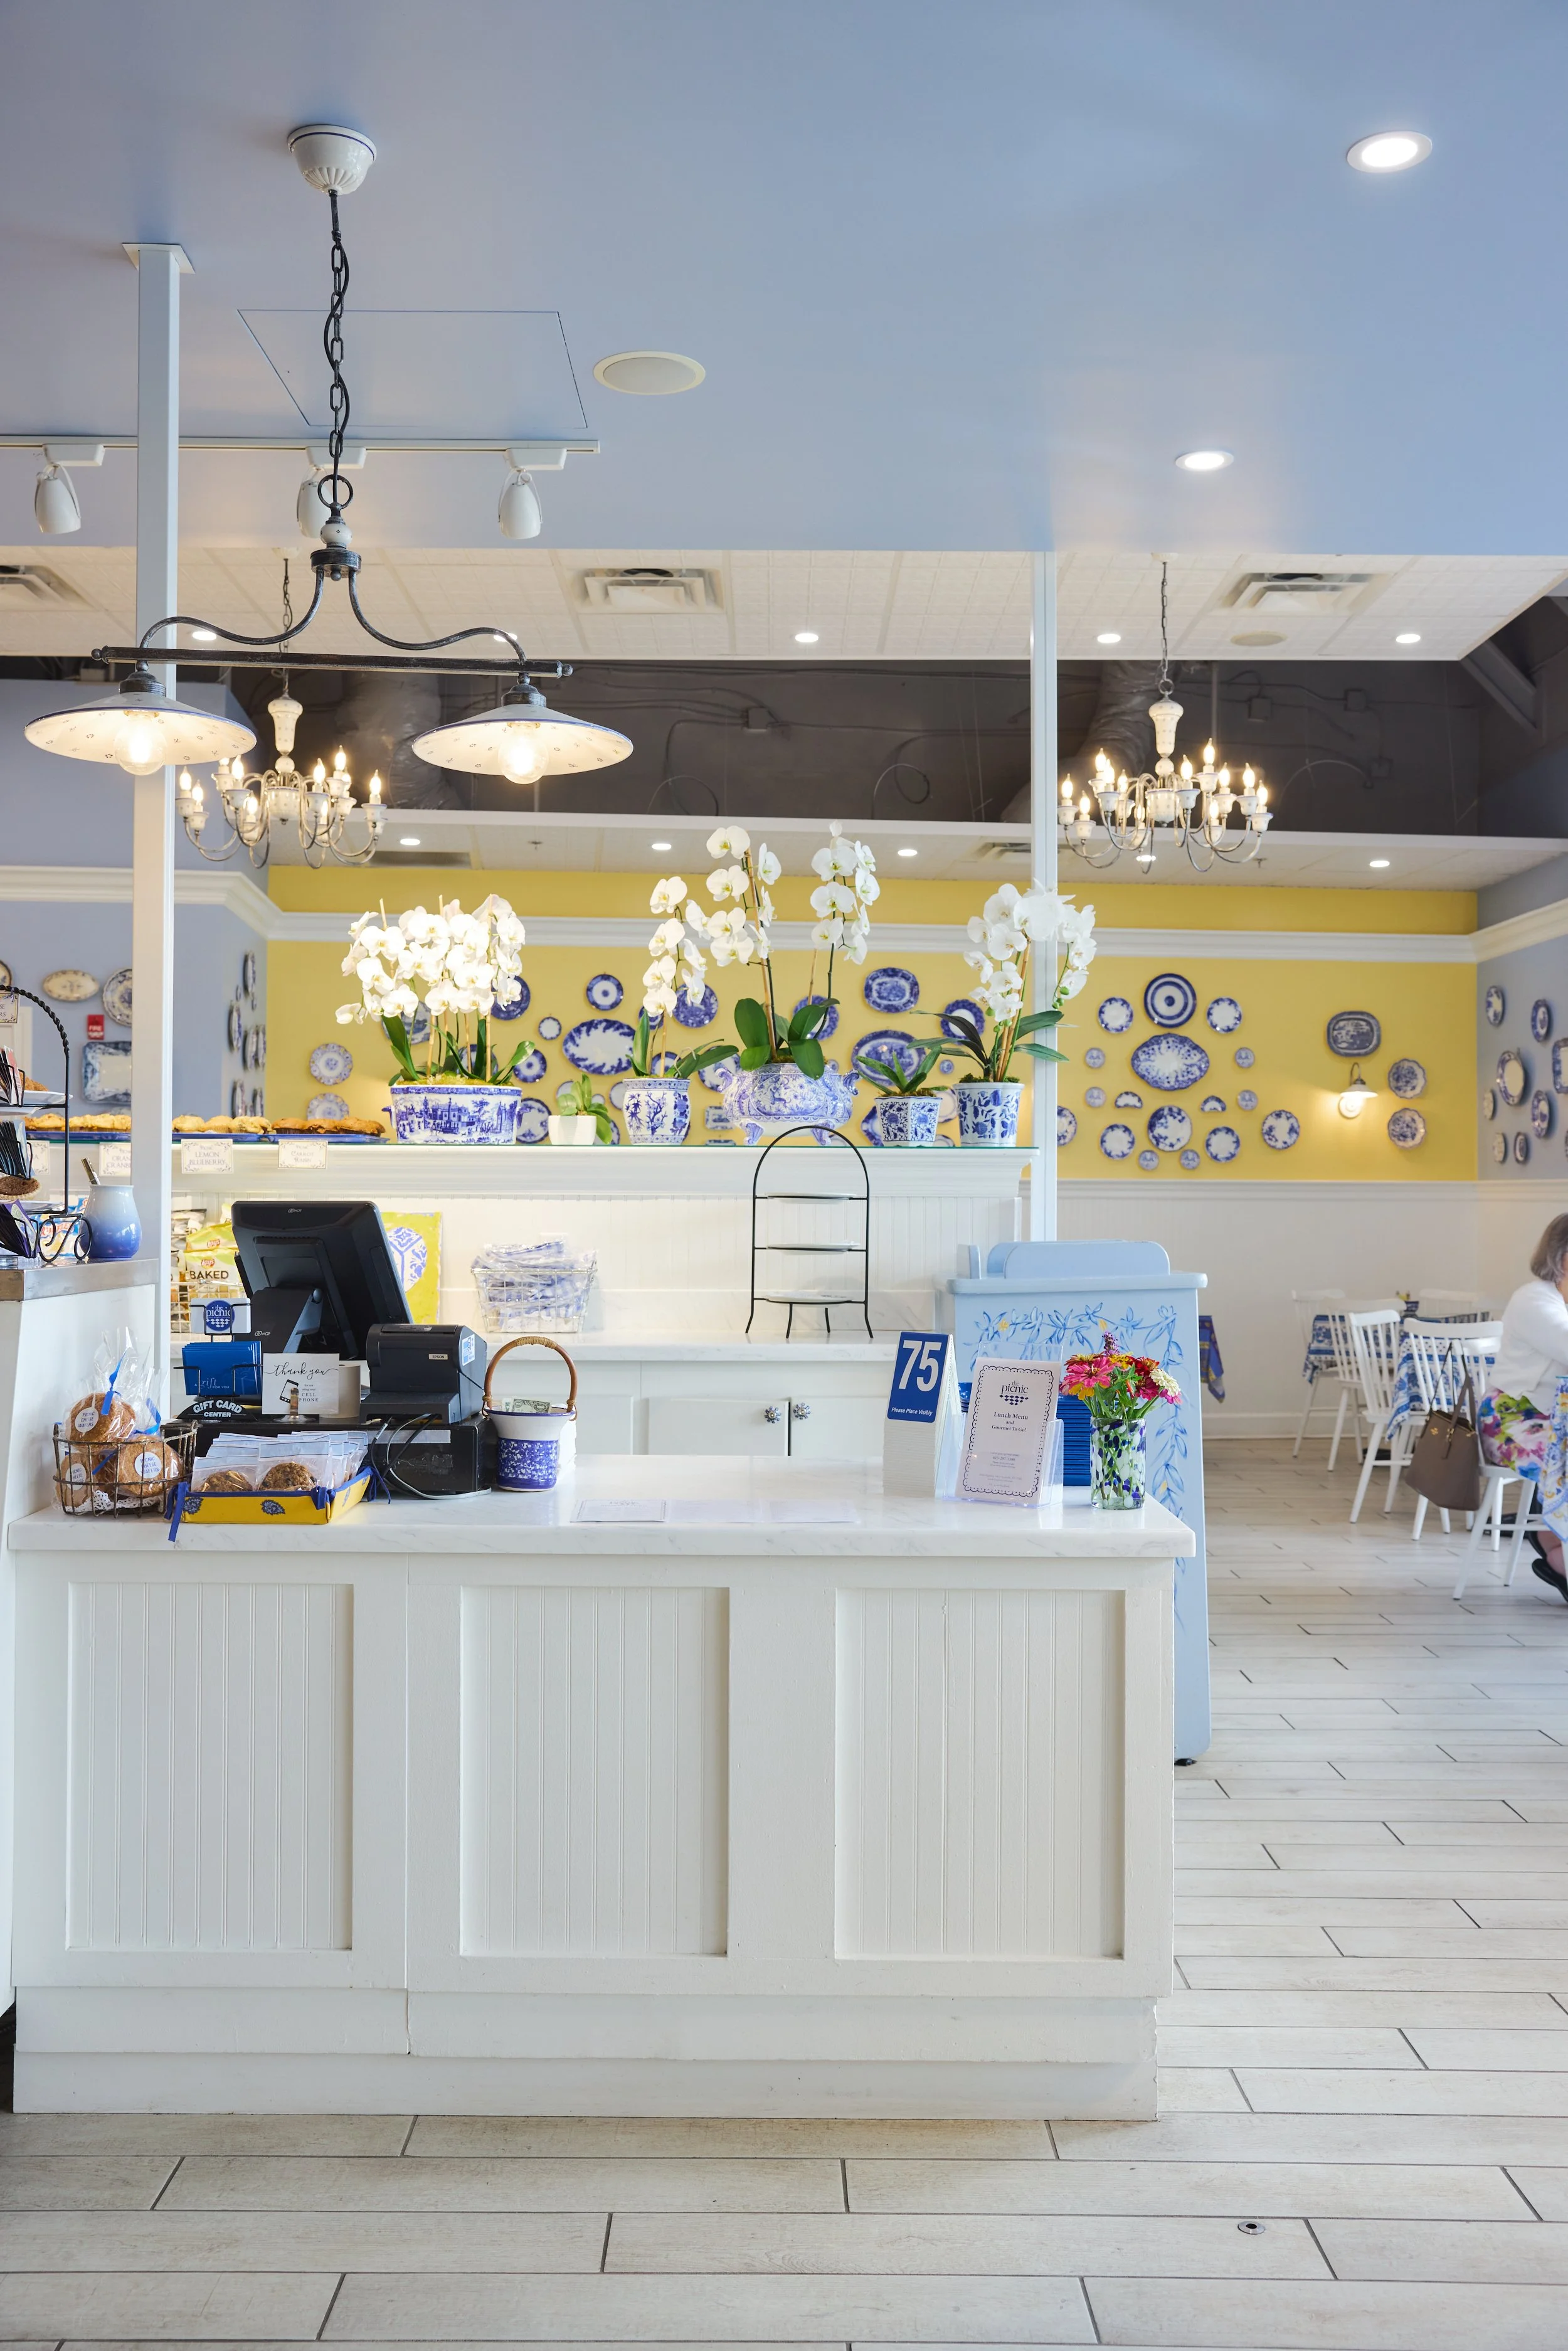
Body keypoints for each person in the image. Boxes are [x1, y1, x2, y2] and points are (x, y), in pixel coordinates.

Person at [1482, 1212, 1568, 1598]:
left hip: (1555, 1421)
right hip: (1511, 1420)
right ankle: (1556, 1546)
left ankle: (1551, 1537)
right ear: (1564, 1257)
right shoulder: (1535, 1300)